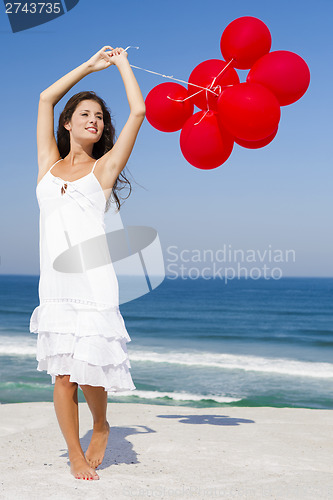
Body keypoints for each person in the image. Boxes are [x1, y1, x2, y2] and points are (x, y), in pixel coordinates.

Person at [29, 46, 146, 481]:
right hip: (56, 286)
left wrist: (121, 66)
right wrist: (89, 67)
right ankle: (75, 455)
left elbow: (139, 110)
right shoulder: (47, 166)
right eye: (85, 114)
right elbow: (45, 97)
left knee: (91, 372)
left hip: (94, 284)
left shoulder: (104, 171)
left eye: (99, 117)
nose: (94, 120)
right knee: (63, 376)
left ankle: (100, 424)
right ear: (68, 122)